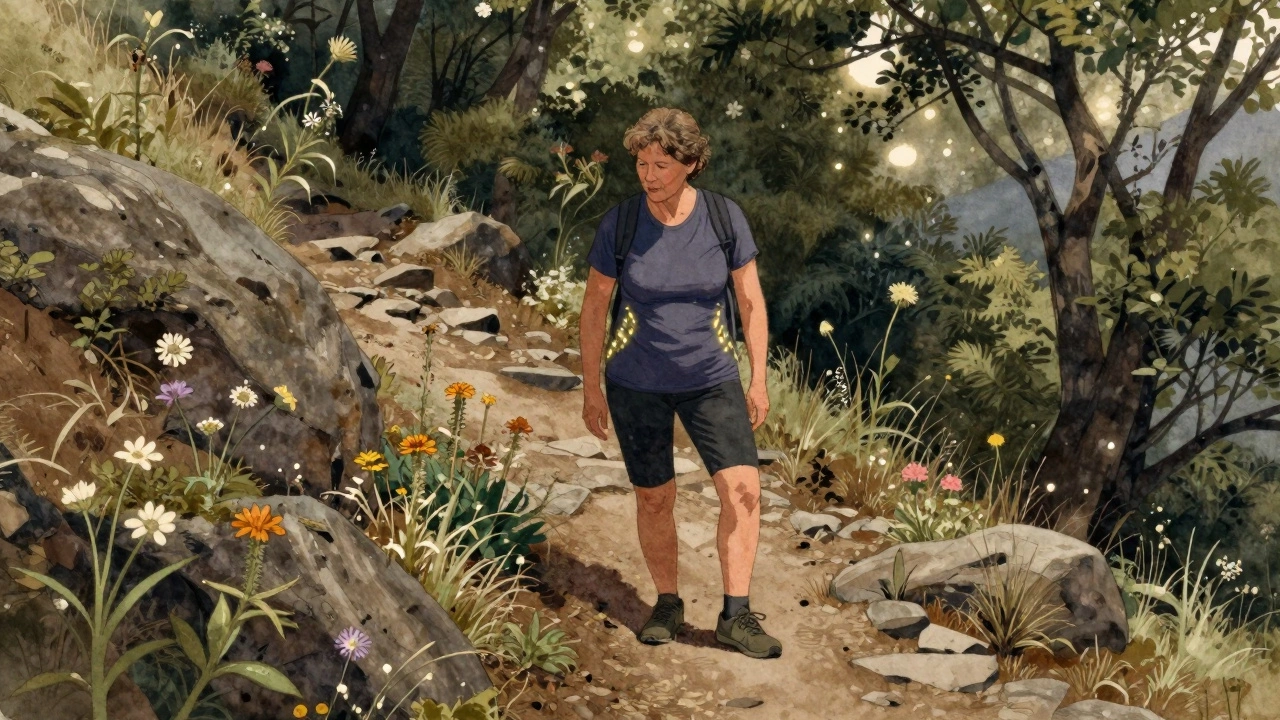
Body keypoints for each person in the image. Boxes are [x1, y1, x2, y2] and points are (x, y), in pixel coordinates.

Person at [578, 107, 780, 659]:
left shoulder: (723, 217)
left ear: (690, 163)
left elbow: (750, 300)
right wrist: (591, 387)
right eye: (642, 163)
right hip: (635, 380)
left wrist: (758, 378)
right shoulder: (619, 224)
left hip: (711, 377)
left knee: (743, 491)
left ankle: (736, 616)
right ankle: (667, 602)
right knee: (654, 497)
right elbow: (595, 307)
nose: (649, 175)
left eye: (661, 164)